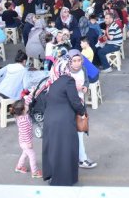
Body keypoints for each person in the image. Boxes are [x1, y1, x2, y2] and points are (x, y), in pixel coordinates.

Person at [42, 56, 87, 186]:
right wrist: (82, 112)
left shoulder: (53, 81)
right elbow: (75, 101)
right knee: (65, 149)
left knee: (53, 148)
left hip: (50, 119)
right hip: (63, 121)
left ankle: (52, 175)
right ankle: (63, 179)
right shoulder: (68, 81)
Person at [67, 49, 97, 169]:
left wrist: (85, 86)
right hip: (69, 106)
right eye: (74, 61)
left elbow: (86, 81)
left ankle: (81, 158)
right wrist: (75, 88)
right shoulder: (65, 72)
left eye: (79, 60)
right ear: (69, 61)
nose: (77, 63)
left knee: (80, 131)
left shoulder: (83, 69)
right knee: (73, 133)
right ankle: (80, 158)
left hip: (80, 104)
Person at [12, 97, 42, 178]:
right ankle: (35, 172)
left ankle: (19, 167)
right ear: (23, 110)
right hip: (25, 142)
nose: (26, 104)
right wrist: (29, 143)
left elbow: (27, 101)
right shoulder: (23, 120)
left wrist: (32, 93)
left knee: (25, 153)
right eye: (25, 105)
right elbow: (25, 133)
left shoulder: (22, 113)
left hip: (23, 141)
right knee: (32, 155)